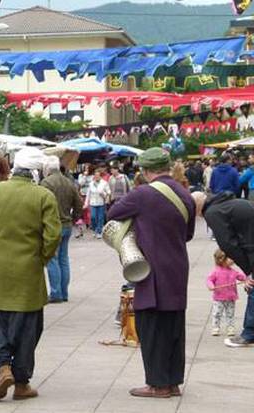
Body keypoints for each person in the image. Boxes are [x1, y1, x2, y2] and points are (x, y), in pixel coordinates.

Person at [0, 147, 62, 402]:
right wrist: (41, 257)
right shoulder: (44, 196)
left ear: (15, 167)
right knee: (28, 327)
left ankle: (3, 368)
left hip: (0, 270)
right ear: (36, 171)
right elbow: (53, 235)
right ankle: (22, 383)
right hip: (30, 271)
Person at [108, 147, 195, 398]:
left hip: (151, 268)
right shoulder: (184, 193)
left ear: (146, 171)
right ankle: (173, 381)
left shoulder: (143, 194)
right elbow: (188, 234)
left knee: (152, 326)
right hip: (178, 266)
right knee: (174, 326)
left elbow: (114, 214)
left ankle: (157, 384)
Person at [202, 191, 254, 348]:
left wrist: (248, 270)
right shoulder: (227, 204)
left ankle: (249, 334)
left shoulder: (212, 213)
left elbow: (228, 244)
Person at [41, 156, 83, 303]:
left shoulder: (46, 183)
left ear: (47, 169)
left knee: (52, 258)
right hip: (66, 225)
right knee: (63, 259)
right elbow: (79, 203)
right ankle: (64, 292)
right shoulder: (69, 182)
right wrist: (74, 217)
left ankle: (56, 293)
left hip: (53, 225)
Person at [206, 249, 247, 337]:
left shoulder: (233, 271)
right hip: (219, 298)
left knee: (230, 314)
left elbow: (241, 277)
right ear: (221, 260)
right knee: (217, 313)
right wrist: (211, 286)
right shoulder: (216, 271)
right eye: (229, 258)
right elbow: (209, 280)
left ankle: (230, 328)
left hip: (231, 297)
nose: (232, 260)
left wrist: (246, 278)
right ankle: (215, 327)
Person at [85, 171, 110, 239]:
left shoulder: (104, 183)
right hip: (93, 203)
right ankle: (94, 229)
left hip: (101, 203)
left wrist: (103, 194)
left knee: (100, 218)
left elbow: (108, 192)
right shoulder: (91, 184)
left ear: (100, 176)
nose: (96, 177)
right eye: (95, 175)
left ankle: (99, 232)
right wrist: (86, 203)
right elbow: (88, 194)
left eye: (98, 175)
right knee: (93, 217)